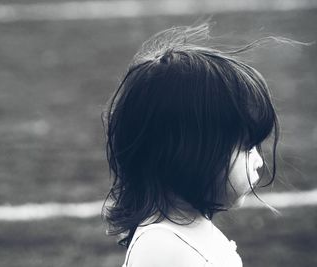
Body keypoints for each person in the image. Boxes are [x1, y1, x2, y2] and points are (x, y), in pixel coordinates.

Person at [101, 23, 283, 267]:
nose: (259, 161)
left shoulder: (185, 231)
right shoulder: (163, 249)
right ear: (191, 153)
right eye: (246, 148)